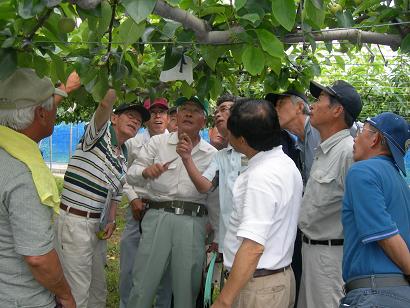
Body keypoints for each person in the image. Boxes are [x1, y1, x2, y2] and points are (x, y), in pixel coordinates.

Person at [55, 87, 150, 307]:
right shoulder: (97, 135)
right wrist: (115, 79)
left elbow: (115, 194)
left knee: (98, 291)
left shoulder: (123, 154)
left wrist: (110, 219)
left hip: (96, 227)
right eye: (130, 116)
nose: (135, 122)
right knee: (77, 292)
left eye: (139, 121)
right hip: (75, 223)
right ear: (114, 118)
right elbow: (105, 106)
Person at [126, 96, 217, 308]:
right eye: (184, 109)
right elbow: (131, 174)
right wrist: (146, 172)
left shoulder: (211, 154)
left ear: (204, 121)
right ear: (175, 116)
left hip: (192, 223)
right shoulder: (158, 142)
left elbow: (213, 199)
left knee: (186, 289)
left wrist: (217, 233)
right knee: (143, 283)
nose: (187, 113)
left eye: (194, 110)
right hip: (158, 216)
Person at [212, 99, 303, 308]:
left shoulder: (259, 178)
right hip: (275, 280)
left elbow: (253, 246)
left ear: (242, 140)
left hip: (257, 288)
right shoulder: (285, 164)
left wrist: (224, 301)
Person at [0, 68, 77, 307]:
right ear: (42, 114)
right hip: (22, 299)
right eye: (52, 105)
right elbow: (38, 258)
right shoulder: (25, 173)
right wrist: (65, 294)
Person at [297, 80, 363, 308]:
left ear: (337, 110)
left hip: (330, 259)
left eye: (318, 100)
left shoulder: (348, 153)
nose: (311, 106)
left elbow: (361, 212)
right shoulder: (324, 151)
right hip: (312, 253)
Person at [340, 112, 410, 307]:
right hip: (399, 293)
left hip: (375, 294)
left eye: (361, 130)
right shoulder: (400, 182)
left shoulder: (362, 171)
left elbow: (385, 234)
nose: (356, 137)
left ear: (375, 139)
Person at [177, 94, 245, 256]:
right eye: (216, 112)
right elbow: (204, 186)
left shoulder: (256, 150)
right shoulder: (220, 156)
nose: (218, 115)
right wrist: (187, 158)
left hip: (253, 238)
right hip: (227, 240)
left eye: (224, 110)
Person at [119, 97, 171, 308]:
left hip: (164, 212)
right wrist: (133, 199)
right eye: (154, 112)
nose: (158, 116)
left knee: (164, 270)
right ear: (147, 119)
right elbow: (122, 173)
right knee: (130, 266)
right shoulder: (133, 143)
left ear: (168, 117)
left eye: (163, 112)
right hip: (137, 211)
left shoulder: (177, 142)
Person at [267, 90, 320, 184]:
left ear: (299, 107)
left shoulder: (319, 130)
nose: (275, 110)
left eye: (280, 104)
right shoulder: (296, 142)